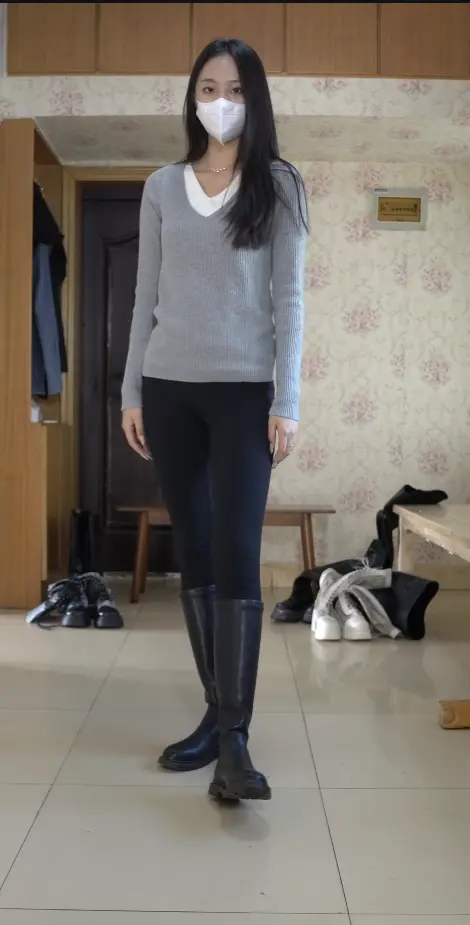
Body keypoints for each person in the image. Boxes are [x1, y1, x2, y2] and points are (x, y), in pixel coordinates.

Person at [122, 38, 308, 802]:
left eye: (234, 88)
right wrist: (131, 391)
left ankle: (235, 741)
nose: (220, 100)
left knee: (235, 548)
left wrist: (287, 399)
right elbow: (145, 296)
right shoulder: (161, 187)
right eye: (207, 87)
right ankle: (217, 718)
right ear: (191, 97)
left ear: (253, 98)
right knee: (193, 550)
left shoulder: (279, 184)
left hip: (243, 393)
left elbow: (290, 299)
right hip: (169, 389)